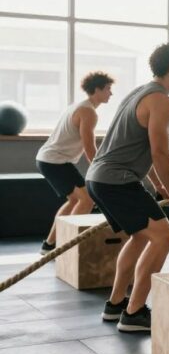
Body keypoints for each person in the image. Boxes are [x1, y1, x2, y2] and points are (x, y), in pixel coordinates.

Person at [87, 43, 169, 333]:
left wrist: (157, 186)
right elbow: (160, 153)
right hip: (115, 180)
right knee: (164, 238)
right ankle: (134, 313)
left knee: (140, 237)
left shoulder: (139, 92)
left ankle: (116, 303)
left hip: (98, 177)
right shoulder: (162, 101)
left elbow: (136, 147)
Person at [36, 71, 114, 254]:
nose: (111, 93)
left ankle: (49, 245)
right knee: (86, 200)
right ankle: (67, 247)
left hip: (51, 160)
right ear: (97, 90)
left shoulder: (80, 107)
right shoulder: (88, 112)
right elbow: (89, 146)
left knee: (74, 201)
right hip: (55, 161)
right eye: (108, 89)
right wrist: (99, 171)